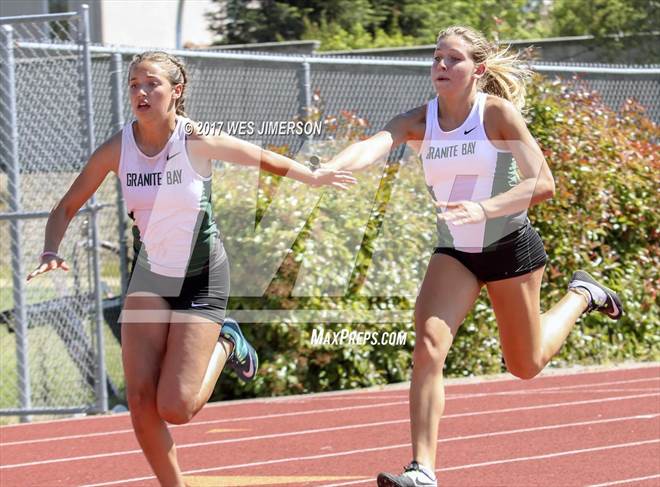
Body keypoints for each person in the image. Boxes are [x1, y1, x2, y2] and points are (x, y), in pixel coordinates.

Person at [26, 50, 356, 486]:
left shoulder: (194, 139)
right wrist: (50, 250)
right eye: (134, 85)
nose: (141, 92)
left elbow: (261, 158)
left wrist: (313, 177)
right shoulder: (118, 147)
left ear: (176, 91)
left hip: (201, 275)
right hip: (150, 276)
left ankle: (227, 341)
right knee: (140, 402)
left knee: (176, 408)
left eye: (152, 84)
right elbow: (65, 207)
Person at [325, 26, 623, 487]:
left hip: (509, 248)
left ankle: (582, 294)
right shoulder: (420, 120)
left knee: (525, 365)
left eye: (453, 59)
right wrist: (328, 168)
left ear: (477, 69)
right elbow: (375, 143)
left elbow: (543, 183)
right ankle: (422, 469)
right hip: (456, 252)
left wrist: (484, 208)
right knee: (428, 345)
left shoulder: (496, 115)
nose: (441, 66)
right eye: (436, 58)